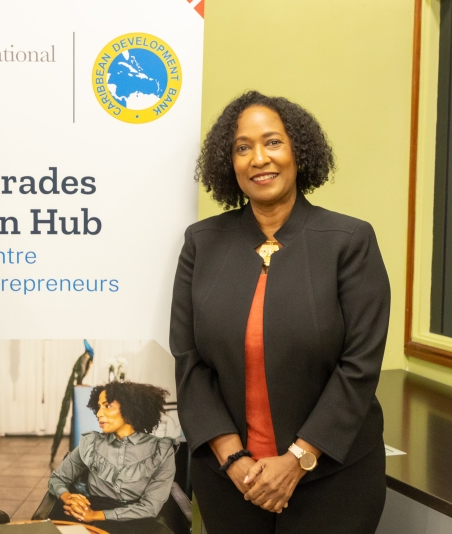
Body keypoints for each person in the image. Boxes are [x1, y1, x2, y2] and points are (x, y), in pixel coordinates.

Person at [170, 90, 391, 533]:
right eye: (242, 147)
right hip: (232, 480)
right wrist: (232, 458)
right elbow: (189, 360)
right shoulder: (202, 242)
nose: (258, 159)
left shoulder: (349, 240)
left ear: (299, 153)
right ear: (228, 164)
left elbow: (360, 365)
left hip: (333, 476)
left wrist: (298, 458)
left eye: (273, 142)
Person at [47, 381, 178, 534]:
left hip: (139, 521)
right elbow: (57, 478)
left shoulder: (161, 450)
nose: (98, 413)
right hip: (91, 516)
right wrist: (68, 497)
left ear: (131, 409)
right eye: (99, 406)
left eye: (107, 406)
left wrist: (96, 515)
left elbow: (150, 507)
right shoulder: (91, 443)